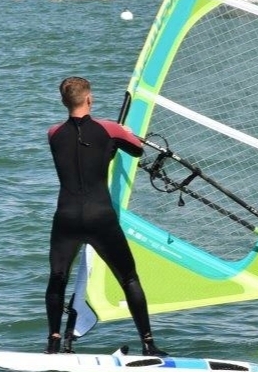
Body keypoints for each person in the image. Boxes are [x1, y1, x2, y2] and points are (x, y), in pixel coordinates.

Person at [44, 76, 167, 357]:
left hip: (67, 217)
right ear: (90, 98)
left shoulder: (53, 133)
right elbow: (137, 150)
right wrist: (125, 132)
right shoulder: (110, 129)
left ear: (64, 102)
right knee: (129, 279)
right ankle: (148, 344)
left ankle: (52, 342)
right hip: (100, 217)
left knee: (57, 278)